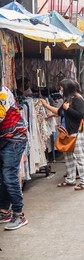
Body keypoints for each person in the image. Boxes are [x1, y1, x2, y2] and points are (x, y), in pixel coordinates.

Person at [41, 79, 84, 190]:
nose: (60, 89)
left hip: (75, 132)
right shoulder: (68, 99)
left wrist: (68, 109)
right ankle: (70, 179)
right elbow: (59, 111)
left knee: (80, 157)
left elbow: (80, 116)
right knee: (68, 158)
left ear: (67, 88)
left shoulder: (78, 99)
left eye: (61, 87)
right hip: (67, 133)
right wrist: (46, 107)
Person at [0, 85, 28, 230]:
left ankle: (19, 214)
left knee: (9, 175)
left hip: (15, 138)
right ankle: (4, 211)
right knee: (3, 176)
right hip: (5, 138)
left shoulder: (2, 94)